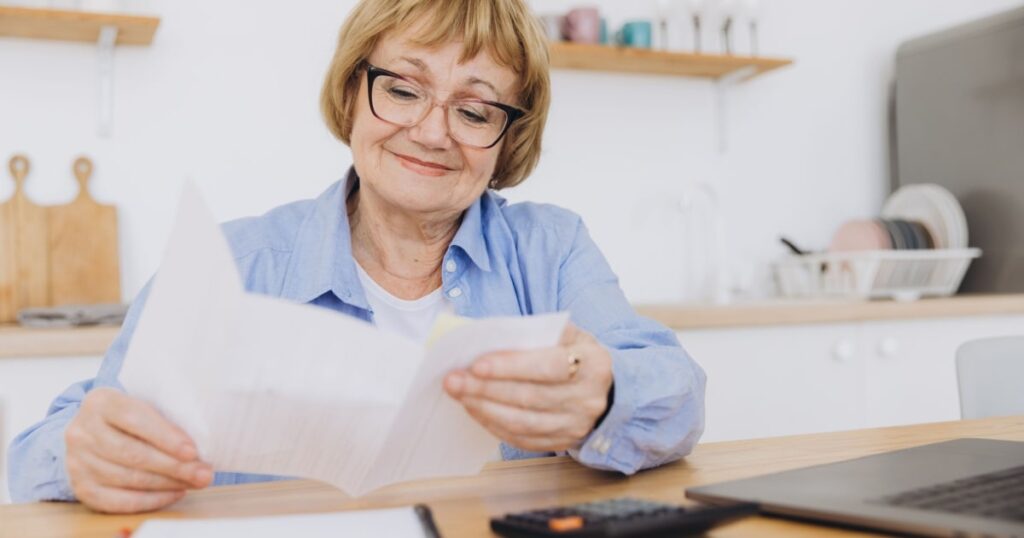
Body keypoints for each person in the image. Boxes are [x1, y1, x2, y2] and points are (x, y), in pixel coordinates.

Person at [8, 0, 706, 514]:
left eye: (475, 110)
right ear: (351, 96)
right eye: (402, 88)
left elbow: (678, 393)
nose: (432, 131)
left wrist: (606, 392)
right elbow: (48, 443)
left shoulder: (550, 248)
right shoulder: (233, 261)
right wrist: (84, 452)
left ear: (505, 140)